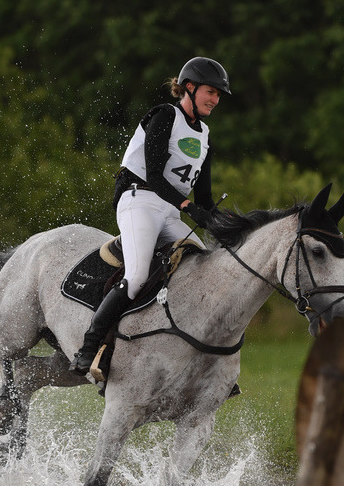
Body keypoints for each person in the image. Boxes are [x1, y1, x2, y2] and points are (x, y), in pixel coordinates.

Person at [69, 56, 231, 374]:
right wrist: (189, 208)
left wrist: (222, 223)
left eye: (218, 95)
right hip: (138, 200)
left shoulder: (205, 135)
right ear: (189, 87)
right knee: (137, 276)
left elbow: (205, 198)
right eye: (210, 92)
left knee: (205, 275)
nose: (215, 99)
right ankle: (88, 350)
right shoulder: (165, 115)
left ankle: (199, 361)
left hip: (170, 212)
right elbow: (155, 177)